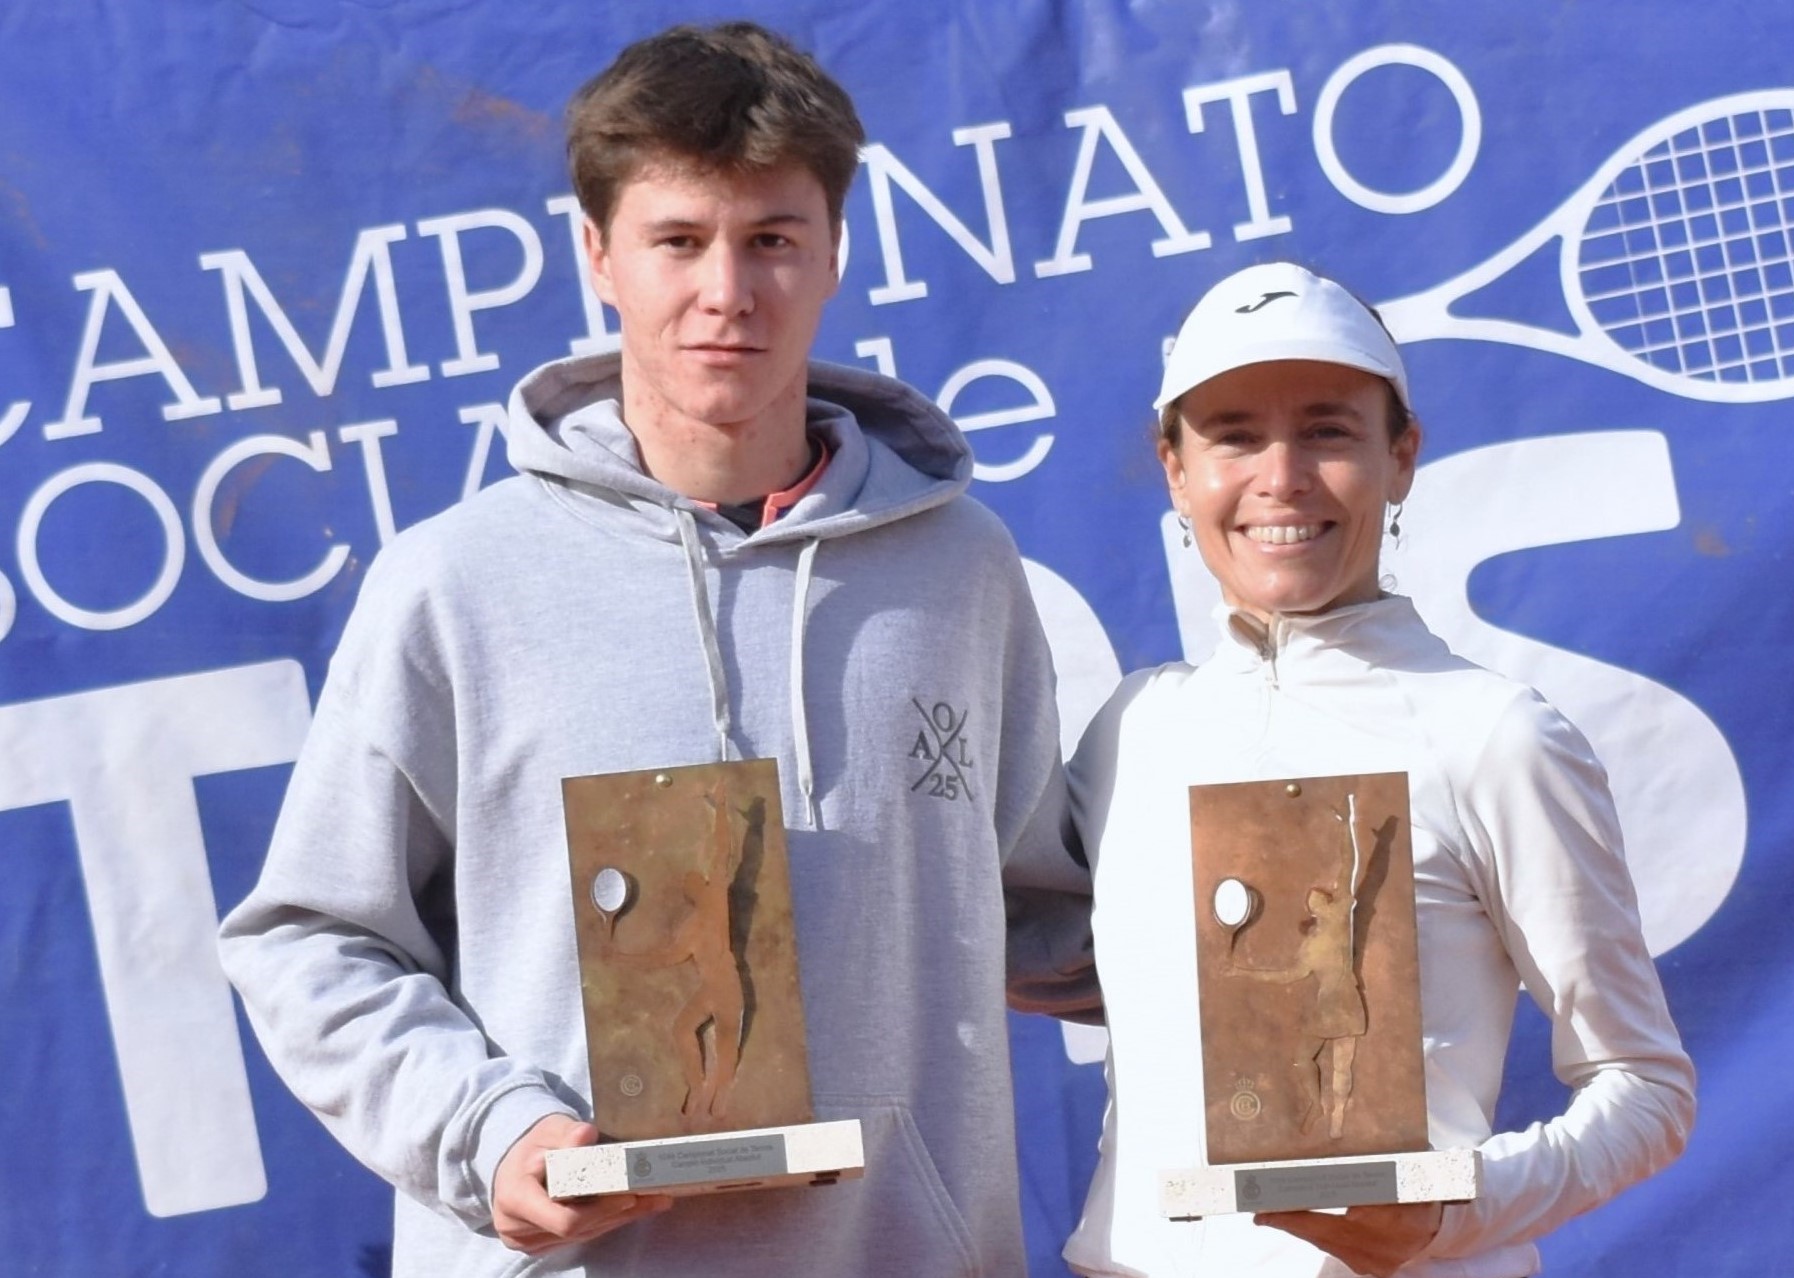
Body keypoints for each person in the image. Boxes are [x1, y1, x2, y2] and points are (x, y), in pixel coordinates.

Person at [219, 22, 1093, 1278]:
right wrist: (491, 1133)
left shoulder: (959, 570)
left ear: (836, 250)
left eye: (772, 240)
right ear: (598, 256)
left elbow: (1038, 914)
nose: (726, 293)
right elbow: (309, 937)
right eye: (678, 241)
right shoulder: (454, 583)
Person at [1061, 262, 1695, 1278]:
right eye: (1232, 435)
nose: (1281, 477)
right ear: (1173, 469)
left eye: (1326, 430)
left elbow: (1646, 1089)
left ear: (1401, 456)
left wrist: (1450, 1216)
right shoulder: (1133, 729)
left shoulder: (1492, 734)